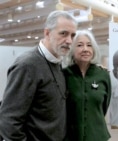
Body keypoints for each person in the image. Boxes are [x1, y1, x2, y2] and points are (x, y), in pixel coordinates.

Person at [0, 10, 77, 141]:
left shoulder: (57, 62)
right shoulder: (27, 65)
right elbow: (9, 121)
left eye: (72, 35)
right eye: (63, 33)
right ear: (47, 33)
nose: (69, 40)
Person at [63, 30, 111, 141]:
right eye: (79, 45)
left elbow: (104, 107)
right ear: (71, 50)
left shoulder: (103, 75)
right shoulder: (64, 75)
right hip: (71, 137)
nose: (85, 49)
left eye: (89, 45)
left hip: (98, 136)